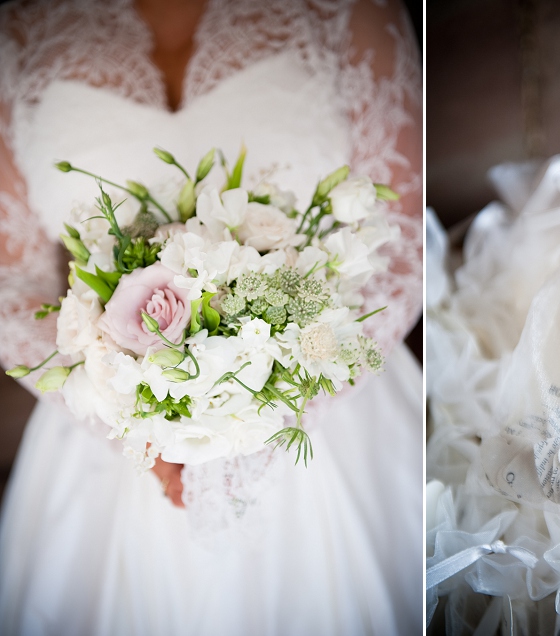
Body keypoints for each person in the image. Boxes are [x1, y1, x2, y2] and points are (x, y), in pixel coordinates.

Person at [0, 0, 423, 634]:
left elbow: (400, 235)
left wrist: (277, 410)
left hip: (324, 393)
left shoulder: (343, 9)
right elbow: (12, 282)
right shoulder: (19, 27)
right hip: (108, 428)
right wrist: (137, 431)